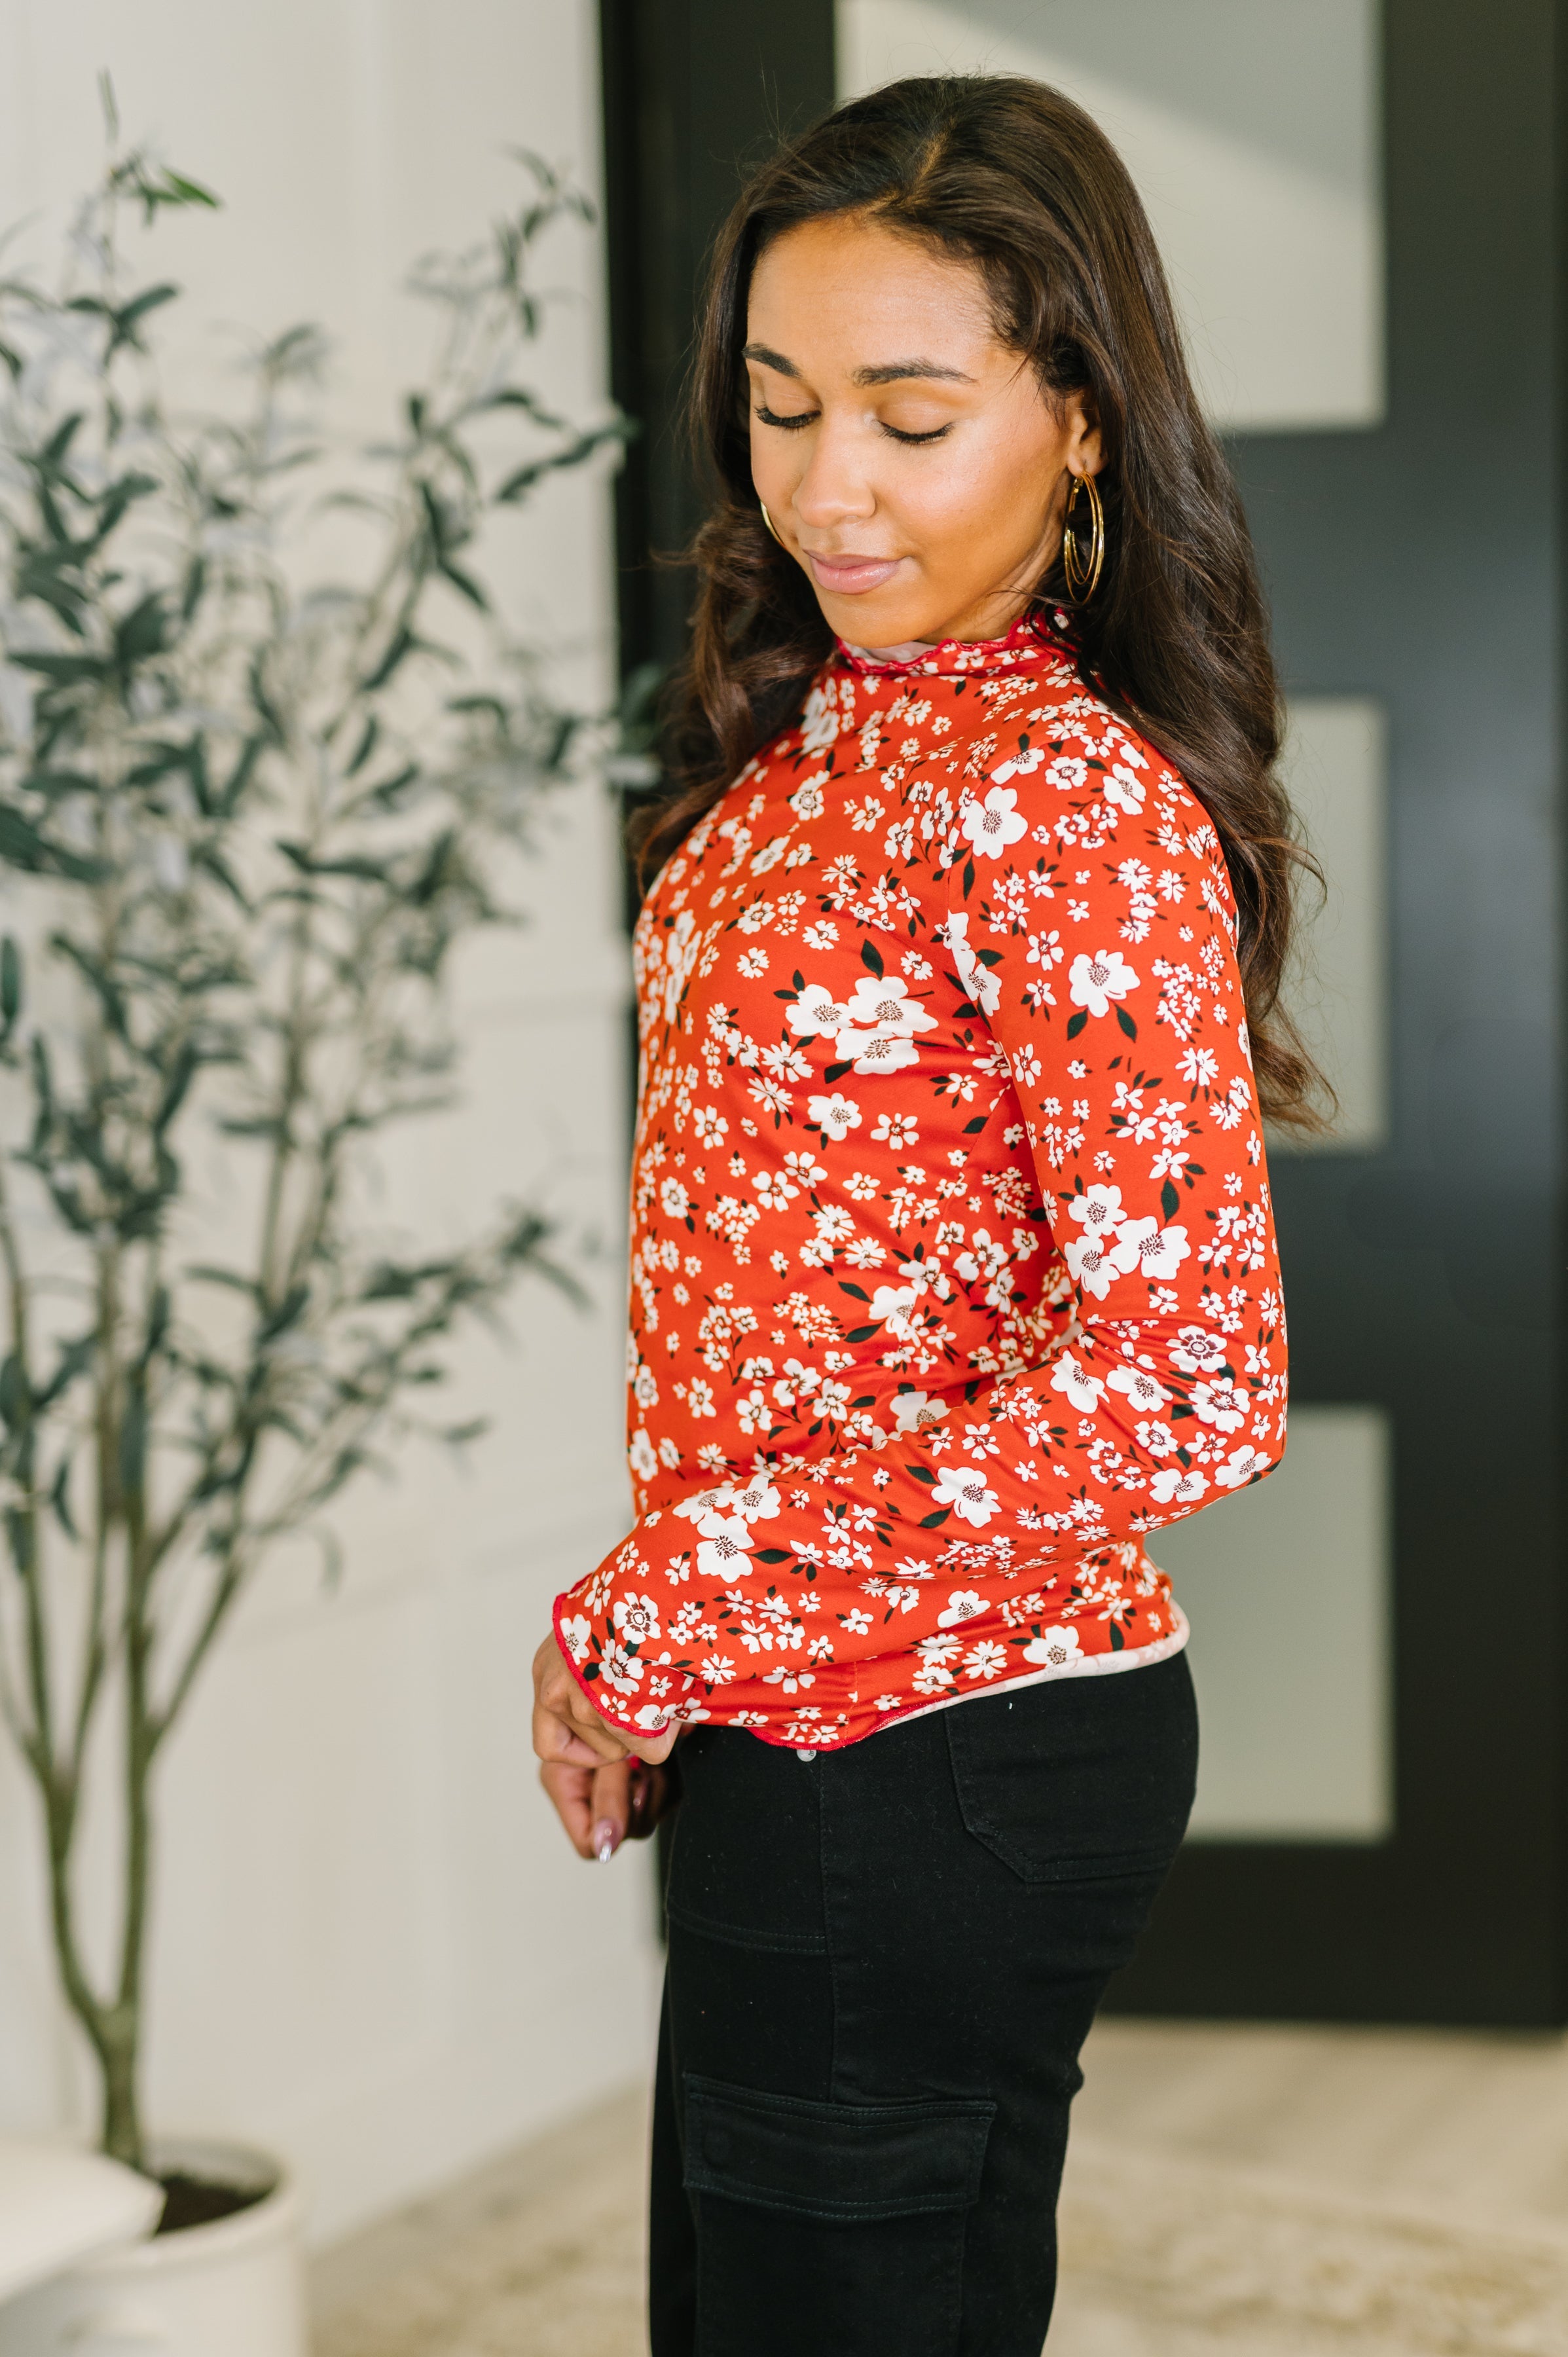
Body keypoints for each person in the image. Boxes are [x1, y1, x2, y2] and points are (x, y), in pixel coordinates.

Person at [532, 72, 1319, 2356]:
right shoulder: (828, 741)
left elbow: (1189, 1379)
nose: (824, 487)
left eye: (907, 414)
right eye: (780, 408)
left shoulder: (1060, 795)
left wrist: (666, 1597)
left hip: (935, 1742)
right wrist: (688, 1622)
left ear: (1077, 419)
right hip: (794, 1712)